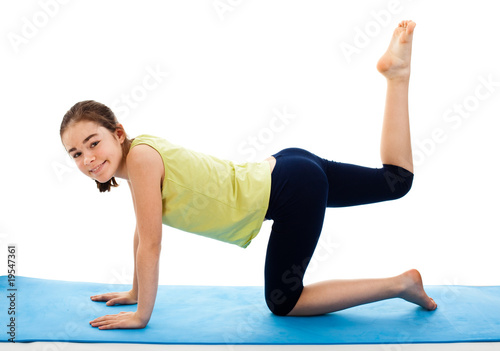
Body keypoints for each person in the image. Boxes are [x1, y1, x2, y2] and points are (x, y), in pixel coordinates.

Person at [60, 20, 436, 330]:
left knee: (283, 302)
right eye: (76, 153)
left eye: (93, 143)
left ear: (118, 134)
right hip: (289, 169)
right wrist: (134, 291)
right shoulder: (139, 156)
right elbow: (143, 231)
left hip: (291, 189)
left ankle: (400, 284)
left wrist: (142, 315)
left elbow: (151, 245)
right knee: (396, 181)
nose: (88, 159)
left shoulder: (140, 159)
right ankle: (397, 76)